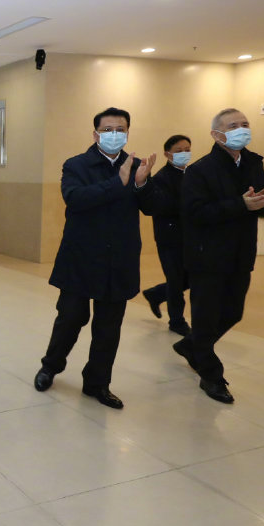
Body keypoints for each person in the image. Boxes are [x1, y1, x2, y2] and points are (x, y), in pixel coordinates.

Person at [33, 107, 159, 410]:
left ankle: (97, 383)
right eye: (107, 130)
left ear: (127, 133)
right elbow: (75, 199)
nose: (114, 134)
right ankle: (50, 366)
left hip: (120, 259)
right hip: (81, 257)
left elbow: (152, 207)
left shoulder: (137, 166)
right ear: (95, 134)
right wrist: (118, 182)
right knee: (70, 318)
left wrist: (141, 184)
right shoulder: (76, 165)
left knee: (109, 327)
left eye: (120, 129)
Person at [175, 109, 264, 404]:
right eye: (233, 125)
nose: (241, 129)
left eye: (245, 124)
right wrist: (241, 205)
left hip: (241, 253)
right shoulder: (200, 170)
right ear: (216, 134)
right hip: (207, 256)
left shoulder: (253, 162)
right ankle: (211, 375)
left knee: (233, 312)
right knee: (206, 318)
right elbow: (195, 213)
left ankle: (190, 346)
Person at [141, 135, 193, 336]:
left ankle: (155, 294)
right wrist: (191, 206)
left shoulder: (192, 174)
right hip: (169, 237)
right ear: (167, 154)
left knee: (190, 278)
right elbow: (163, 206)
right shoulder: (161, 178)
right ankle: (177, 321)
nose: (184, 154)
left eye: (187, 149)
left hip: (190, 237)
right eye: (179, 150)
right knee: (175, 279)